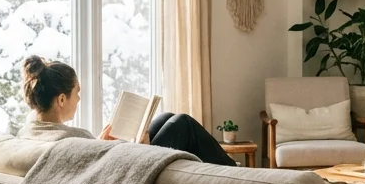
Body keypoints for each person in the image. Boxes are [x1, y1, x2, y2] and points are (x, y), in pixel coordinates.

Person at [18, 55, 234, 166]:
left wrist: (99, 145)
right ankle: (235, 173)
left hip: (113, 159)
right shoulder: (73, 139)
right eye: (77, 92)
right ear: (62, 99)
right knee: (183, 124)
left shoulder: (27, 133)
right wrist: (142, 150)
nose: (80, 98)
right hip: (134, 168)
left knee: (166, 118)